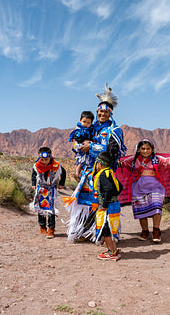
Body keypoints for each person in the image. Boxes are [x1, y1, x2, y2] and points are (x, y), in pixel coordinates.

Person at [65, 85, 127, 242]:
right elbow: (76, 145)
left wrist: (91, 146)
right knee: (85, 203)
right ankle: (84, 232)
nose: (102, 113)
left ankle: (103, 236)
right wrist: (78, 147)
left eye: (106, 111)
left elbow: (113, 150)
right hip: (88, 171)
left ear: (110, 113)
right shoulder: (91, 128)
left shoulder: (115, 130)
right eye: (100, 111)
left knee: (102, 203)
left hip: (104, 173)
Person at [116, 139, 170, 243]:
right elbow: (120, 164)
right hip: (138, 189)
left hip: (155, 188)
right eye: (143, 149)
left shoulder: (157, 159)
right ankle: (145, 232)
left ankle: (156, 231)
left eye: (148, 148)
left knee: (156, 208)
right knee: (141, 211)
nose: (145, 151)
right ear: (138, 149)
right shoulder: (132, 160)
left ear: (152, 149)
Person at [92, 151, 123, 261]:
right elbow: (120, 187)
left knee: (106, 230)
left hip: (108, 207)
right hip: (114, 204)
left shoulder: (103, 175)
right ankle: (114, 249)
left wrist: (105, 204)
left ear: (99, 164)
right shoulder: (110, 173)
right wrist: (114, 197)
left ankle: (111, 252)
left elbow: (109, 189)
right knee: (110, 228)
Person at [31, 147, 66, 239]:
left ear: (50, 157)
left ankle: (51, 229)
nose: (44, 162)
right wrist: (33, 184)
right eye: (42, 159)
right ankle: (42, 226)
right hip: (40, 189)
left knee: (51, 210)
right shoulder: (37, 165)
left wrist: (61, 183)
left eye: (46, 159)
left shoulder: (56, 165)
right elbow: (34, 175)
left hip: (51, 190)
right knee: (40, 209)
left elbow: (64, 172)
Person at [68, 111, 94, 180]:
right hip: (81, 147)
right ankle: (77, 174)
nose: (86, 124)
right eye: (84, 121)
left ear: (91, 123)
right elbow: (77, 138)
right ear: (80, 120)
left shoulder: (91, 130)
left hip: (88, 150)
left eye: (88, 123)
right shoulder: (78, 130)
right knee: (81, 163)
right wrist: (83, 141)